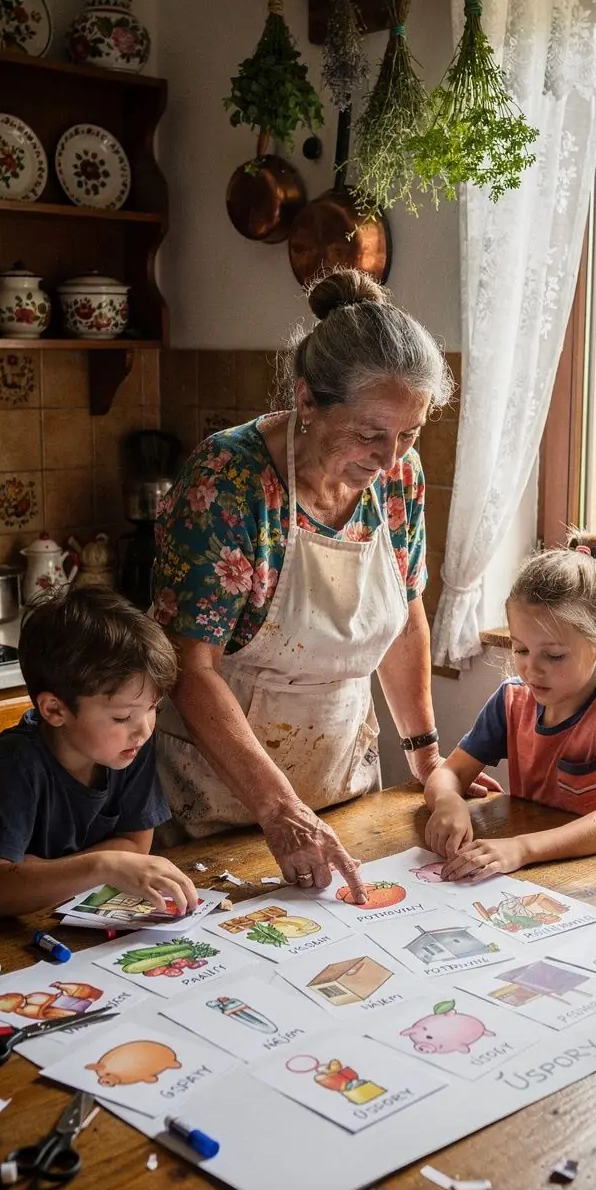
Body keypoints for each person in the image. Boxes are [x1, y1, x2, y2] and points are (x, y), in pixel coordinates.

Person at [153, 269, 464, 899]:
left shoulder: (399, 478)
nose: (389, 457)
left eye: (409, 433)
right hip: (220, 801)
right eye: (369, 432)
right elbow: (191, 665)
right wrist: (279, 810)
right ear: (307, 400)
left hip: (345, 787)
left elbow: (403, 621)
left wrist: (429, 760)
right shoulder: (230, 479)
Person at [0, 585, 198, 919]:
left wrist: (37, 872)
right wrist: (105, 864)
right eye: (122, 716)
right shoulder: (14, 764)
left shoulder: (129, 745)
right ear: (55, 710)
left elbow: (135, 845)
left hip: (56, 919)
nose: (144, 728)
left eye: (152, 708)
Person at [423, 533, 596, 882]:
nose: (532, 669)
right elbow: (449, 772)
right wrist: (448, 800)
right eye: (520, 650)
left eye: (553, 655)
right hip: (533, 873)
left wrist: (521, 848)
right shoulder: (512, 699)